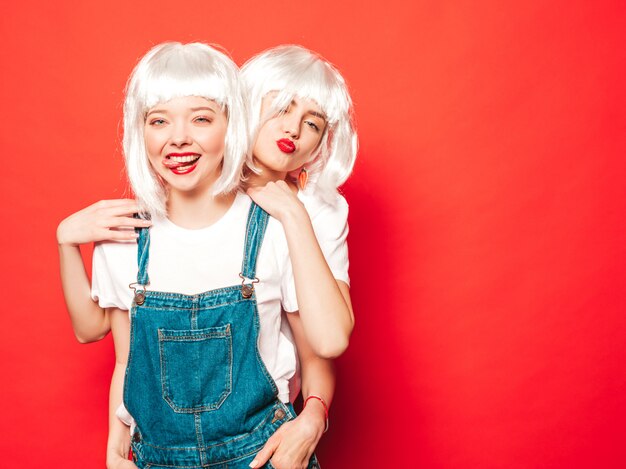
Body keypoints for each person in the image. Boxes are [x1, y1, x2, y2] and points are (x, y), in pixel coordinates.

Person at [57, 42, 327, 468]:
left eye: (201, 118)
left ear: (231, 126)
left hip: (264, 456)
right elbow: (125, 361)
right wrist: (114, 449)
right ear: (139, 132)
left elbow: (319, 351)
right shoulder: (124, 236)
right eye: (158, 120)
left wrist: (312, 420)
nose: (177, 138)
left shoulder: (276, 225)